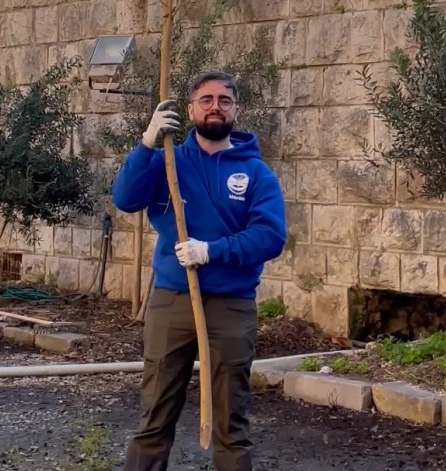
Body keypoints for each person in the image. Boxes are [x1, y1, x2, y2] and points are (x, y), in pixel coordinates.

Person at [111, 70, 288, 471]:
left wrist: (211, 251)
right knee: (155, 412)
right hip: (172, 301)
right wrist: (146, 142)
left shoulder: (257, 173)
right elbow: (125, 199)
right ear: (190, 108)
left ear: (236, 110)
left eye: (224, 100)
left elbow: (270, 237)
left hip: (231, 306)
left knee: (231, 419)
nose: (215, 107)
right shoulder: (167, 161)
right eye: (205, 100)